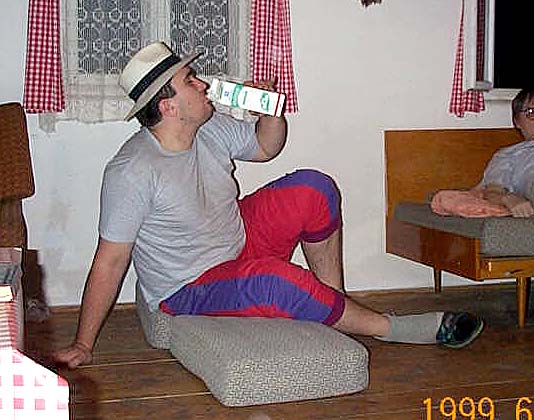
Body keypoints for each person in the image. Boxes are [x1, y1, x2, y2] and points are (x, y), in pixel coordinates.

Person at [53, 42, 484, 369]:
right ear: (168, 106)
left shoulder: (208, 128)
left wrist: (271, 111)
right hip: (190, 284)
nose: (203, 84)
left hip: (237, 238)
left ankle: (332, 302)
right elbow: (109, 262)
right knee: (276, 281)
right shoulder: (132, 170)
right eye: (190, 81)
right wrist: (83, 343)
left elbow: (266, 147)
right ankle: (392, 328)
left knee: (315, 188)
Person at [475, 88, 534, 217]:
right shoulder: (508, 155)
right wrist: (509, 199)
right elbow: (492, 192)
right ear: (517, 121)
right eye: (532, 112)